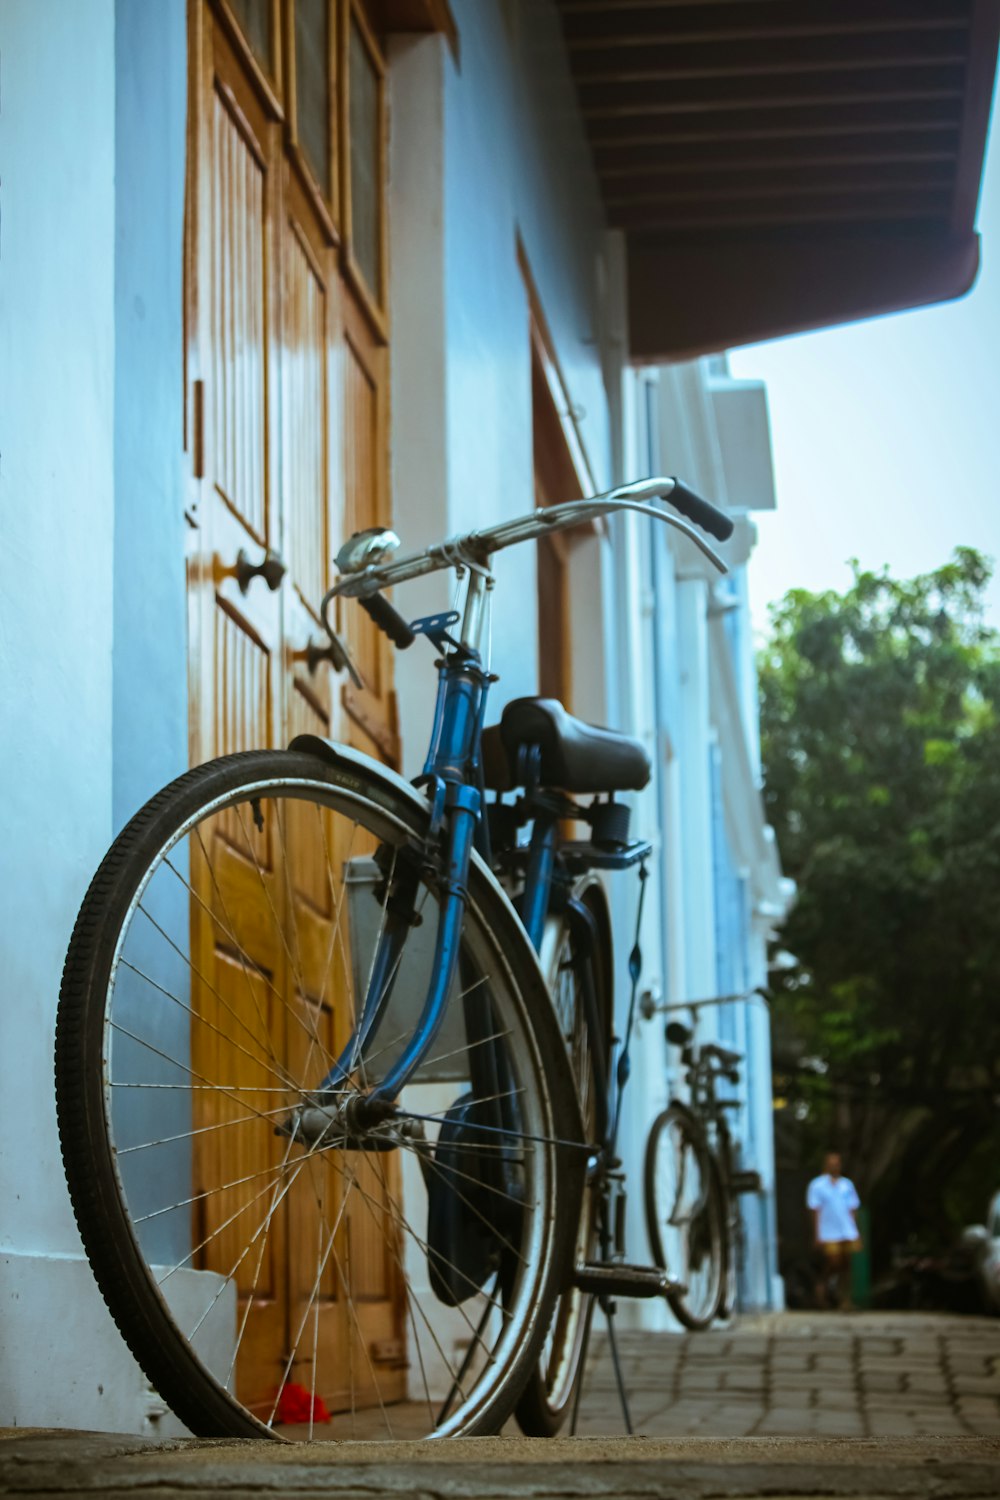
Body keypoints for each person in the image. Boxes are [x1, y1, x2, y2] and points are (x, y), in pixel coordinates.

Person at [806, 1152, 861, 1310]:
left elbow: (853, 1208)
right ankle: (821, 1288)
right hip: (828, 1232)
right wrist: (817, 1234)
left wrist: (855, 1230)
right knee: (833, 1262)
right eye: (831, 1163)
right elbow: (814, 1210)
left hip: (847, 1230)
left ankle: (845, 1300)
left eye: (836, 1163)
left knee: (846, 1265)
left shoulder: (847, 1185)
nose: (834, 1166)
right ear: (826, 1165)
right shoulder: (817, 1185)